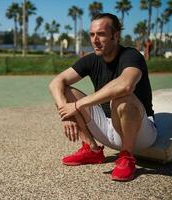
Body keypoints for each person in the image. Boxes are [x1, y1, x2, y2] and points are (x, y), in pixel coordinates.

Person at [48, 13, 157, 181]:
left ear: (116, 36)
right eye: (92, 34)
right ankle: (92, 150)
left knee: (123, 96)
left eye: (101, 34)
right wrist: (65, 112)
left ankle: (127, 157)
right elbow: (56, 82)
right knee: (65, 91)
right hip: (107, 128)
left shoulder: (132, 56)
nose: (94, 40)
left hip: (140, 133)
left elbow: (125, 85)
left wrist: (77, 105)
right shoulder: (92, 59)